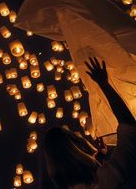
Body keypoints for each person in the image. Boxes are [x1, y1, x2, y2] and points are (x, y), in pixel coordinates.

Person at [43, 56, 136, 188]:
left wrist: (100, 159)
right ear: (77, 147)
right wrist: (104, 84)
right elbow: (129, 126)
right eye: (77, 138)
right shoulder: (107, 178)